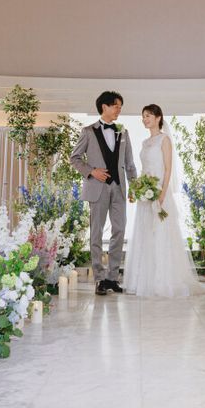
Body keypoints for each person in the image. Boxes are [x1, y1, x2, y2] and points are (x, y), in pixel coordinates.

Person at [124, 104, 203, 298]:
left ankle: (163, 281)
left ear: (158, 117)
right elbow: (144, 170)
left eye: (148, 116)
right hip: (145, 194)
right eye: (143, 116)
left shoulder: (164, 140)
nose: (145, 119)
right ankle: (143, 280)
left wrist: (162, 193)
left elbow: (168, 169)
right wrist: (136, 189)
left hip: (160, 192)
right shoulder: (145, 142)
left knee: (160, 233)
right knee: (145, 233)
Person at [70, 91, 137, 295]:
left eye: (120, 107)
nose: (119, 110)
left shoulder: (123, 132)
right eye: (116, 106)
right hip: (97, 189)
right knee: (96, 234)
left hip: (119, 188)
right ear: (104, 107)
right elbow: (75, 158)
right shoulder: (88, 131)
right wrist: (92, 171)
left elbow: (129, 163)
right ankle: (99, 279)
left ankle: (112, 278)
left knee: (119, 231)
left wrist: (134, 186)